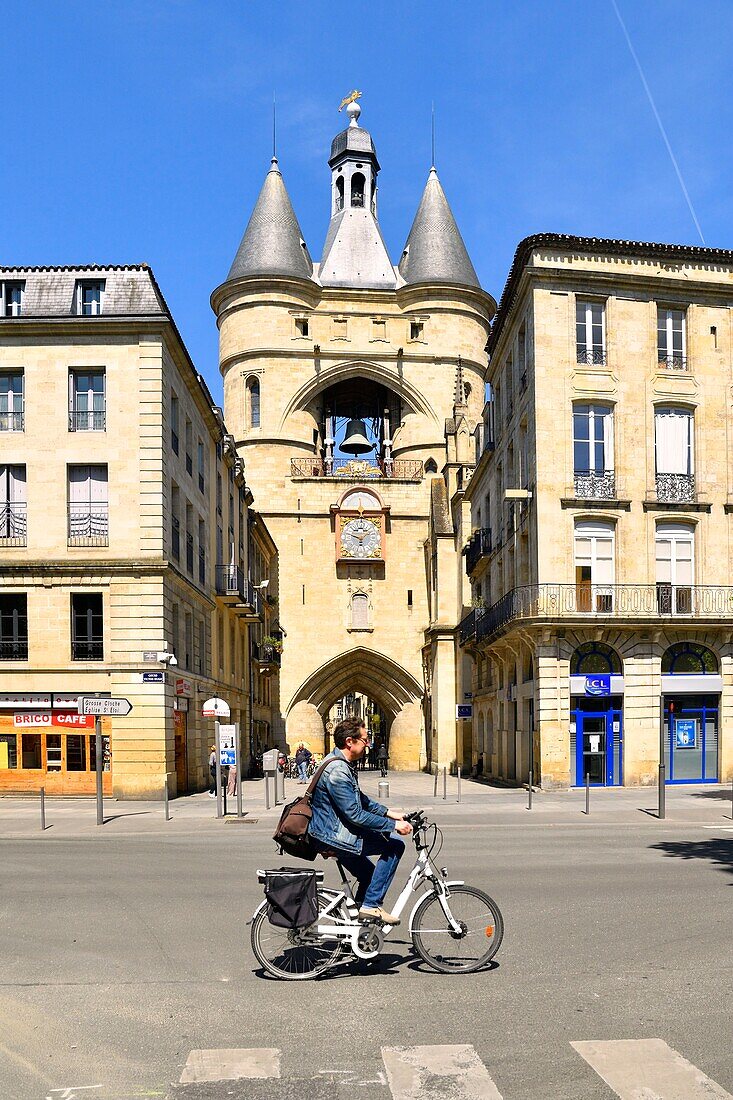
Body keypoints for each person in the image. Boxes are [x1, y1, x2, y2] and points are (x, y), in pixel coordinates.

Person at [309, 717, 412, 925]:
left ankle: (359, 929)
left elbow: (360, 799)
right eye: (364, 740)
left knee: (368, 876)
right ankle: (371, 905)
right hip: (334, 836)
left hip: (333, 833)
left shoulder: (341, 763)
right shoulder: (338, 770)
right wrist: (393, 826)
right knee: (394, 847)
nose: (367, 744)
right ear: (350, 742)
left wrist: (390, 813)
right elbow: (355, 814)